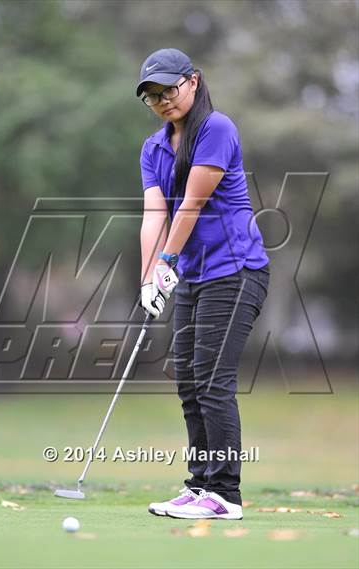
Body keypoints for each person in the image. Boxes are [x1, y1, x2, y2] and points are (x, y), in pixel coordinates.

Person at [137, 48, 270, 520]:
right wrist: (149, 278)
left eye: (169, 90)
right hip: (194, 276)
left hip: (236, 272)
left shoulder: (216, 129)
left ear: (193, 81)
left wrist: (168, 260)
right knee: (190, 384)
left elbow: (190, 205)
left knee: (214, 382)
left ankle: (226, 496)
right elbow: (156, 214)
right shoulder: (153, 148)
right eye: (152, 96)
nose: (162, 101)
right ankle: (199, 488)